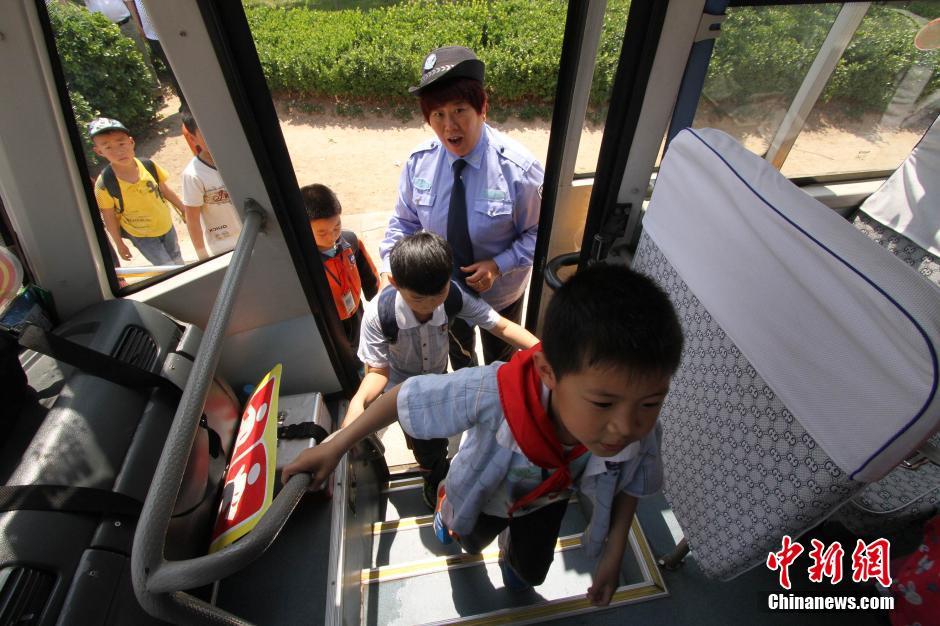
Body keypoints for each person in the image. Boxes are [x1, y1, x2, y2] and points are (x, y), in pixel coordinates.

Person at [284, 264, 684, 605]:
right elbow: (405, 397)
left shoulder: (635, 424)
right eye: (603, 403)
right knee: (467, 539)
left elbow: (630, 477)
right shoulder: (493, 392)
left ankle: (514, 567)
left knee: (529, 570)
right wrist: (336, 446)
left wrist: (613, 551)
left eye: (652, 402)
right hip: (486, 495)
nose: (626, 427)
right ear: (549, 373)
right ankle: (446, 508)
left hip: (547, 501)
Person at [378, 46, 544, 370]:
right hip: (442, 294)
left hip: (501, 296)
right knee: (459, 357)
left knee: (502, 362)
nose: (449, 126)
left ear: (483, 108)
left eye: (459, 111)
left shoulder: (519, 170)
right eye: (438, 115)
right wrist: (390, 268)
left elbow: (539, 233)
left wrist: (498, 265)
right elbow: (403, 222)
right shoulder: (419, 163)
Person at [351, 231, 540, 509]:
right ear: (394, 282)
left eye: (439, 295)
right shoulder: (379, 315)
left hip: (438, 380)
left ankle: (441, 469)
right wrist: (358, 402)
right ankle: (434, 476)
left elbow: (501, 326)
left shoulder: (453, 296)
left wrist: (544, 352)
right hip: (401, 392)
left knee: (438, 434)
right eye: (419, 300)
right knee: (424, 444)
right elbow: (378, 372)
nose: (430, 306)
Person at [90, 117, 186, 266]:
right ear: (99, 151)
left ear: (131, 142)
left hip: (165, 224)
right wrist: (119, 243)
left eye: (121, 143)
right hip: (141, 235)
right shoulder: (104, 184)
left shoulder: (148, 165)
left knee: (177, 257)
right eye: (108, 147)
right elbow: (109, 217)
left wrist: (183, 209)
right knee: (166, 266)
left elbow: (164, 190)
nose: (118, 151)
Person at [302, 184, 380, 354]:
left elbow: (369, 276)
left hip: (356, 312)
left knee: (362, 348)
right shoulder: (304, 260)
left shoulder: (350, 241)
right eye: (322, 233)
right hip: (330, 322)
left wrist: (377, 302)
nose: (332, 236)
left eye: (337, 226)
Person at [179, 109, 242, 260]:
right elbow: (192, 220)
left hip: (259, 235)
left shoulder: (241, 158)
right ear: (193, 139)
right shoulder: (193, 175)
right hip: (225, 247)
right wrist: (203, 256)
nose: (215, 137)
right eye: (206, 133)